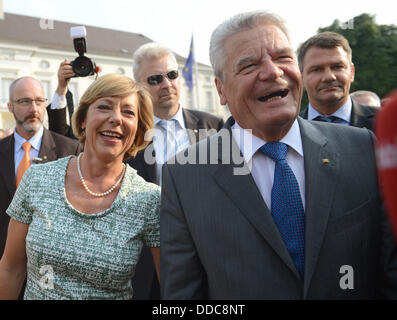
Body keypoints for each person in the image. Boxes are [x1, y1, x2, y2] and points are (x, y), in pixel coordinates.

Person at [160, 10, 397, 299]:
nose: (273, 72)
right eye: (249, 65)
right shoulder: (185, 176)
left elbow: (389, 274)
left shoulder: (360, 148)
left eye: (283, 57)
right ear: (221, 89)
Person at [0, 74, 160, 299]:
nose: (116, 118)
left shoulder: (150, 200)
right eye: (104, 107)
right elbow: (11, 269)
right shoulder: (37, 179)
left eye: (128, 112)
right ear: (83, 120)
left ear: (138, 130)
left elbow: (174, 288)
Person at [126, 42, 224, 299]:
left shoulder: (213, 126)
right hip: (148, 260)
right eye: (155, 79)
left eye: (171, 75)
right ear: (139, 87)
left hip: (208, 252)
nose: (166, 84)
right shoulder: (129, 134)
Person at [0, 77, 81, 262]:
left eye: (39, 101)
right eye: (25, 101)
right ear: (10, 106)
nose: (34, 109)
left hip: (52, 263)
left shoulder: (69, 150)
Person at [298, 32, 378, 130]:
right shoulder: (288, 130)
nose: (329, 77)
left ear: (352, 72)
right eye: (316, 69)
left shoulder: (387, 122)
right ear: (301, 78)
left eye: (337, 67)